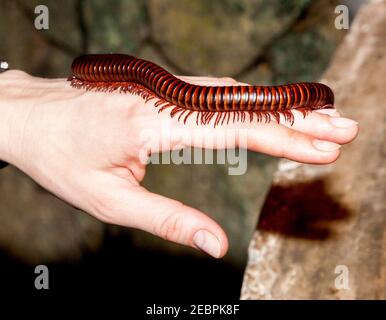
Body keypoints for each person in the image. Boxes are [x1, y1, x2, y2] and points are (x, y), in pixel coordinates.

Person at [0, 70, 358, 258]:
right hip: (168, 87)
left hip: (284, 98)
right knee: (184, 97)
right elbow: (163, 90)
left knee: (196, 100)